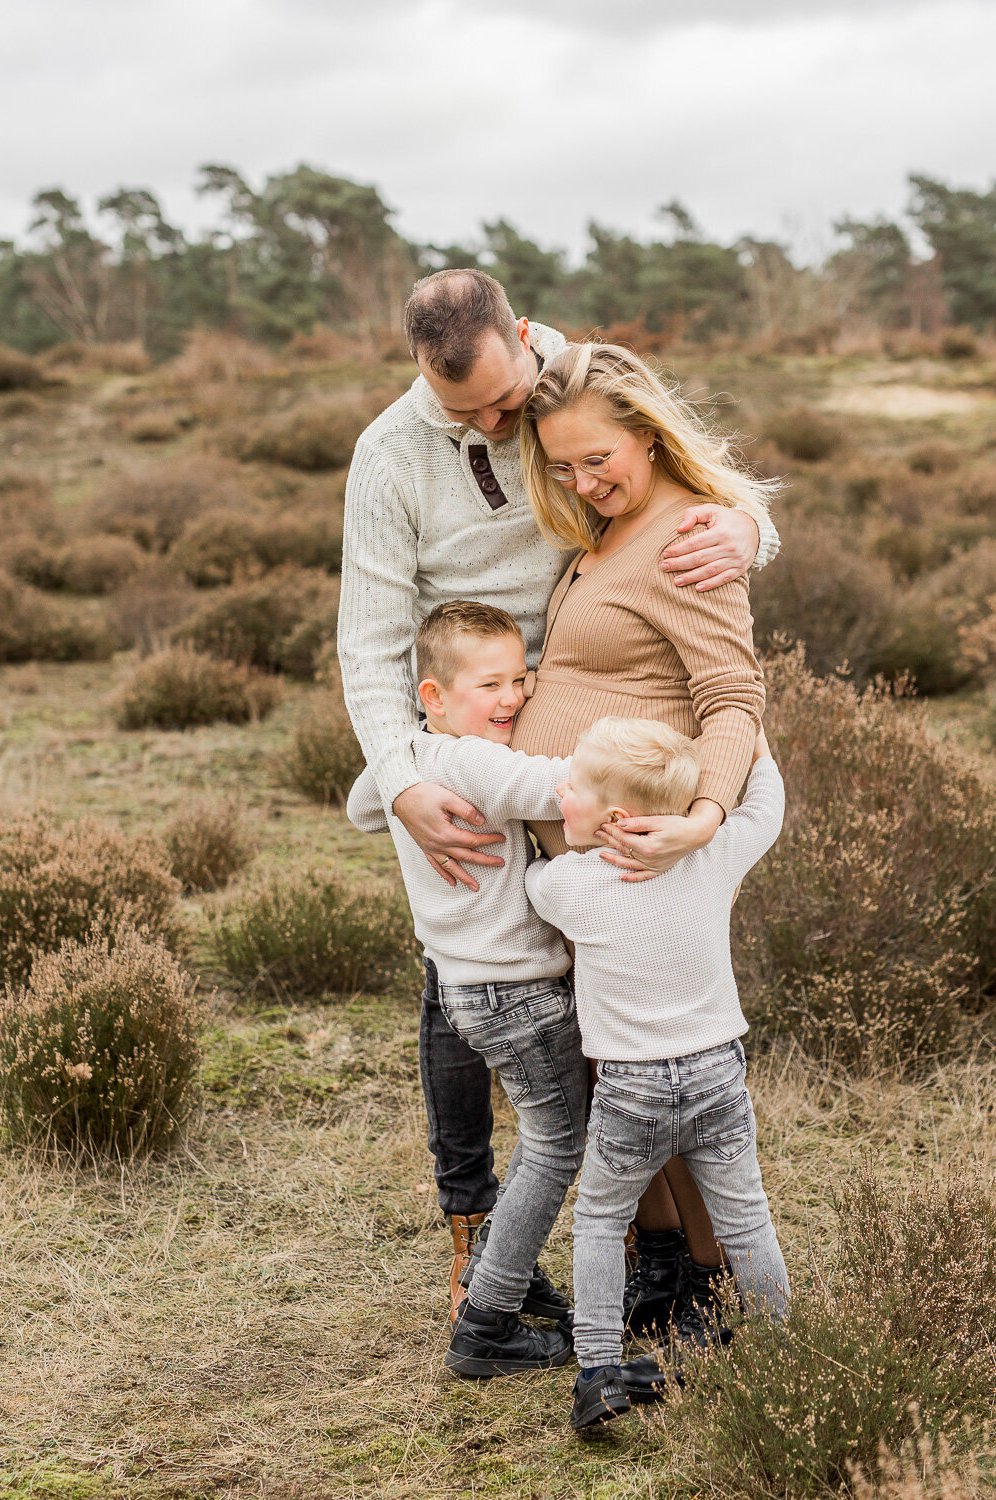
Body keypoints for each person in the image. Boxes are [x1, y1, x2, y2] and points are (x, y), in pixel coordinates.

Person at [337, 269, 780, 1308]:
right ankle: (479, 1232)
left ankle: (667, 1258)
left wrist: (748, 530)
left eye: (505, 401)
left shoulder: (572, 390)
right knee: (468, 977)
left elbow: (680, 480)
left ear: (526, 338)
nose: (499, 426)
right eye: (467, 414)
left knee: (612, 1022)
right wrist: (400, 784)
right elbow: (369, 642)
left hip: (587, 774)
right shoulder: (390, 456)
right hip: (464, 743)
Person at [511, 338, 779, 1342]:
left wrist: (702, 820)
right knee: (618, 1070)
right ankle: (666, 1266)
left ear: (649, 433)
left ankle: (715, 1284)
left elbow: (731, 694)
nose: (583, 481)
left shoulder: (685, 538)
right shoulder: (610, 529)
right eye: (562, 466)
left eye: (598, 458)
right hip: (594, 861)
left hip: (641, 857)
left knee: (663, 1078)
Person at [524, 718, 790, 1431]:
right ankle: (783, 1350)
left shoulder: (570, 884)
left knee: (601, 1221)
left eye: (572, 784)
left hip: (631, 1089)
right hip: (717, 1076)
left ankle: (599, 1372)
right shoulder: (713, 856)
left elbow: (533, 879)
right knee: (747, 1218)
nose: (559, 791)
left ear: (614, 817)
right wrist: (754, 743)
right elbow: (765, 811)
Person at [347, 600, 586, 1375]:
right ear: (435, 697)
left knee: (546, 1138)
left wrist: (404, 779)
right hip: (518, 990)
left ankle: (496, 1275)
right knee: (557, 1142)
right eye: (491, 685)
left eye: (521, 678)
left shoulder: (413, 761)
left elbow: (360, 805)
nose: (513, 698)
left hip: (462, 991)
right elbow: (561, 789)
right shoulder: (478, 762)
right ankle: (487, 1322)